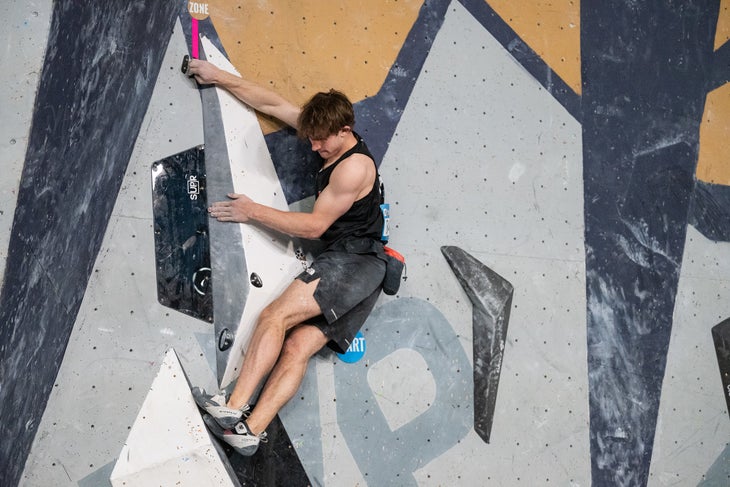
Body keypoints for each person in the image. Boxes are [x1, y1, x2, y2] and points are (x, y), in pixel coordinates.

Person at [185, 58, 388, 455]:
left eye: (320, 142)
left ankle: (230, 409)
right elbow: (274, 104)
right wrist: (219, 77)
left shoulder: (353, 169)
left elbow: (313, 228)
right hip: (366, 273)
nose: (313, 147)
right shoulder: (327, 130)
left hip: (354, 262)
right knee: (297, 347)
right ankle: (248, 433)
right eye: (311, 138)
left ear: (345, 131)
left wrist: (251, 211)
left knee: (274, 316)